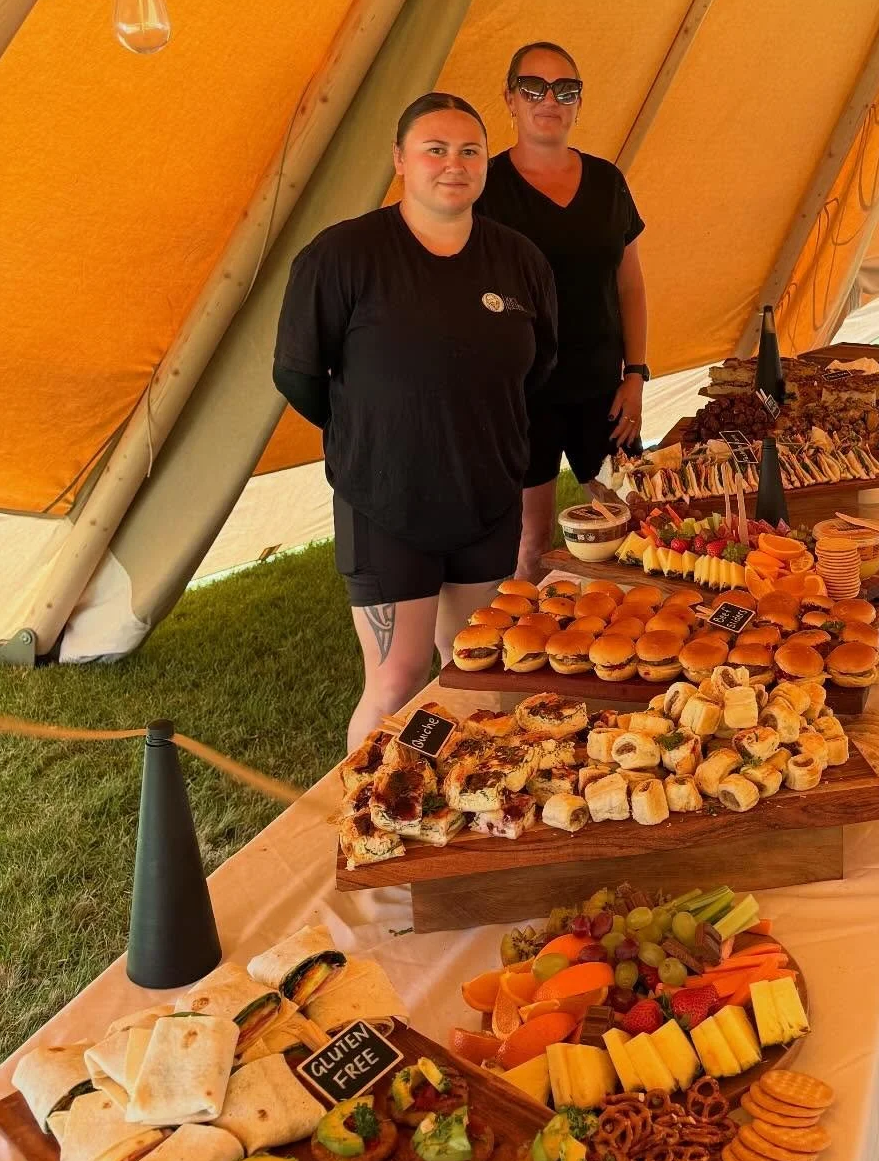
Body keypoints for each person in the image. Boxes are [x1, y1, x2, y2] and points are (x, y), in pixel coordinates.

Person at [273, 92, 557, 749]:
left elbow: (537, 367)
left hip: (486, 498)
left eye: (469, 150)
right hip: (387, 503)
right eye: (435, 149)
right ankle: (372, 824)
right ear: (400, 160)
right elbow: (297, 374)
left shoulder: (519, 261)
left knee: (473, 667)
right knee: (398, 679)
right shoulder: (342, 257)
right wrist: (370, 429)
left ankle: (453, 800)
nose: (453, 164)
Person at [478, 41, 648, 578]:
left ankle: (635, 637)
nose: (549, 100)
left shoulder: (607, 182)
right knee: (533, 540)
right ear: (509, 99)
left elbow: (631, 284)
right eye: (534, 88)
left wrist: (637, 374)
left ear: (579, 101)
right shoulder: (483, 187)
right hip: (523, 396)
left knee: (636, 522)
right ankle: (522, 646)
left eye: (565, 89)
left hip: (604, 388)